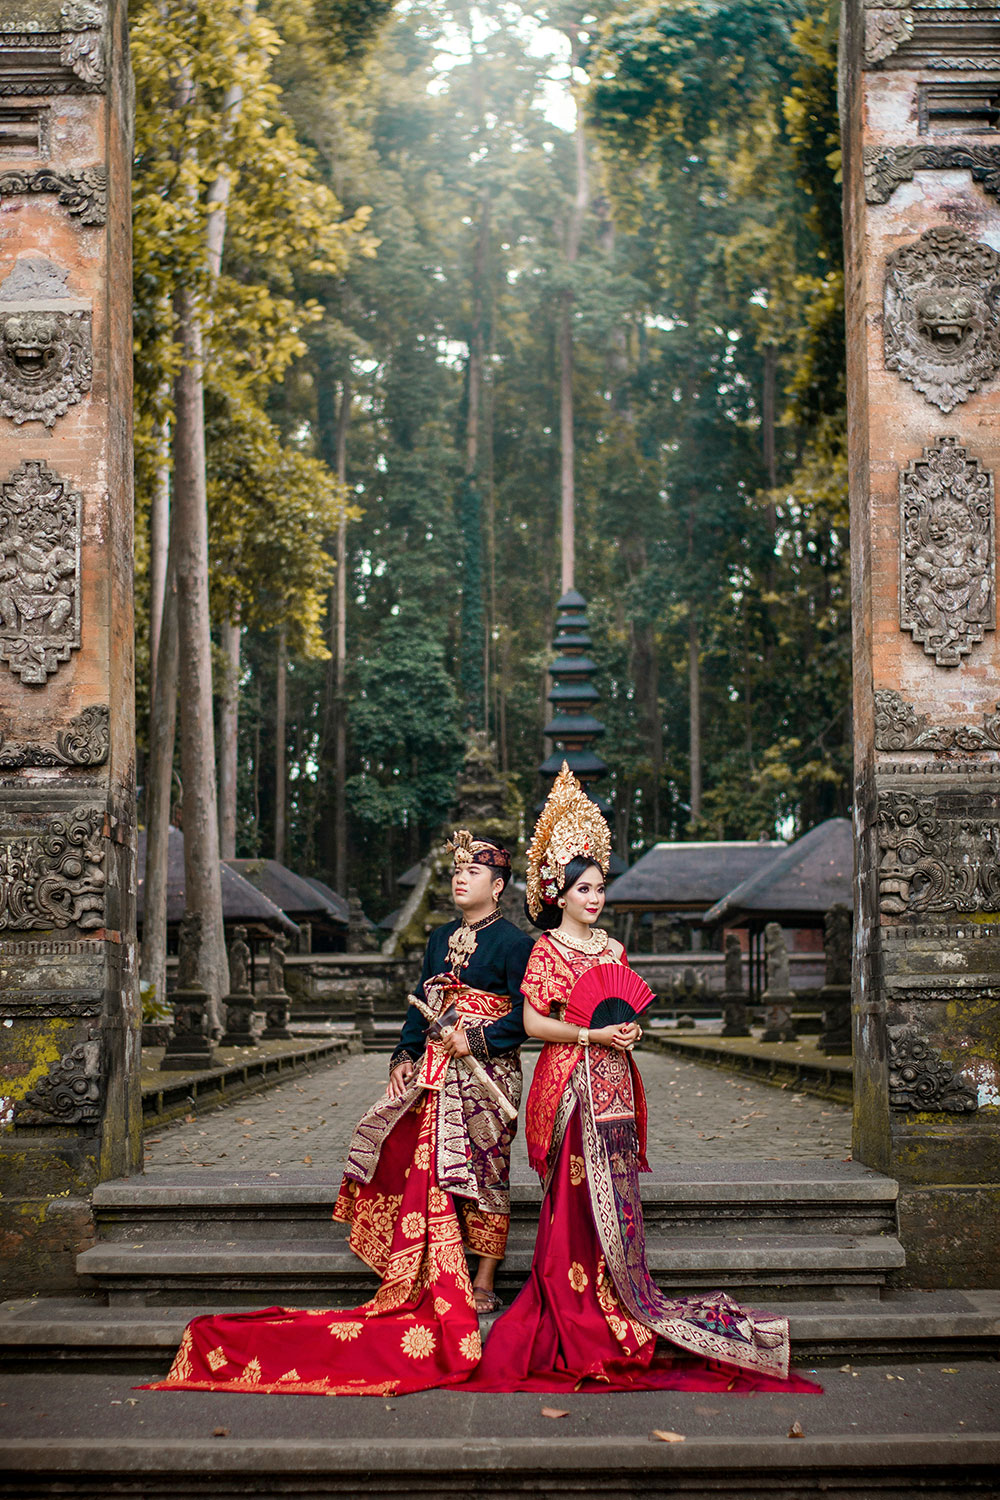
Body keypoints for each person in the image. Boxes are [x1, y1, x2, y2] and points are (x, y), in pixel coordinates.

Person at [464, 764, 820, 1395]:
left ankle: (621, 1290)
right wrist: (592, 1036)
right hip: (570, 1080)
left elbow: (623, 1011)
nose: (595, 898)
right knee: (573, 1195)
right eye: (583, 889)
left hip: (616, 1085)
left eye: (600, 887)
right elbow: (532, 1022)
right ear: (559, 894)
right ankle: (576, 1300)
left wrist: (626, 1035)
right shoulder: (546, 950)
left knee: (617, 1192)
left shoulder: (614, 951)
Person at [146, 831, 534, 1398]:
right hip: (433, 1066)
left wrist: (477, 1040)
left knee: (483, 1166)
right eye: (456, 870)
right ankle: (430, 1260)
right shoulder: (437, 938)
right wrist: (403, 1056)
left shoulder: (514, 944)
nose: (459, 878)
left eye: (472, 871)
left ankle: (482, 1275)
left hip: (485, 1074)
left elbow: (527, 1012)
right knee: (423, 1157)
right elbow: (422, 1003)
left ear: (497, 886)